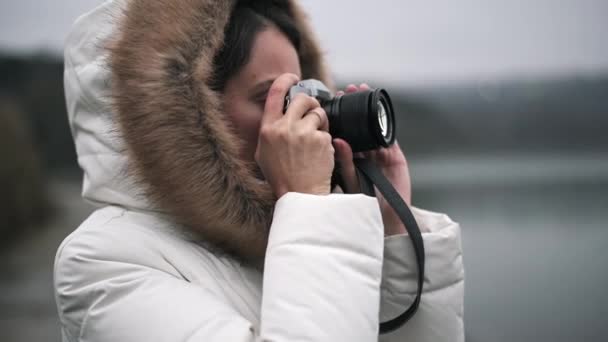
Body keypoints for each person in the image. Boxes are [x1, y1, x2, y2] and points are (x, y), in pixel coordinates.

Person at [54, 0, 464, 341]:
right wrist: (308, 207)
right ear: (190, 114)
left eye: (304, 92)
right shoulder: (103, 264)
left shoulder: (282, 232)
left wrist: (392, 236)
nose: (307, 115)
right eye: (274, 97)